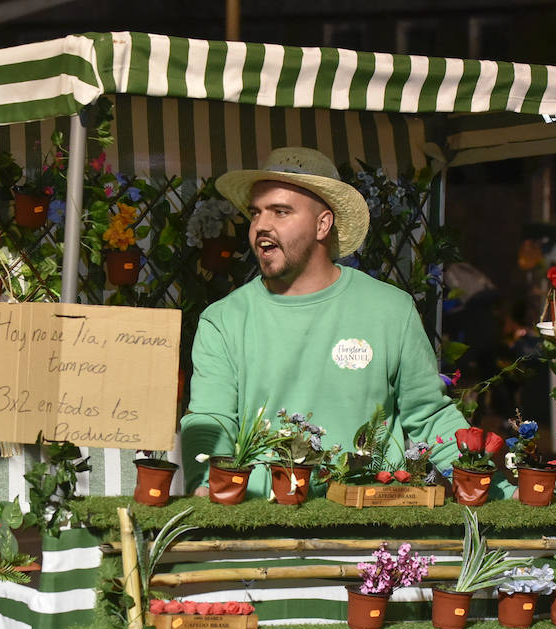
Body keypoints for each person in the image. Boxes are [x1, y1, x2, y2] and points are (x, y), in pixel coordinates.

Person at [180, 147, 472, 499]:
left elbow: (430, 417)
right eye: (256, 213)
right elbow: (211, 420)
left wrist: (491, 484)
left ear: (323, 224)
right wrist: (203, 484)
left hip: (369, 526)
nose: (261, 226)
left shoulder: (390, 310)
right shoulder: (224, 320)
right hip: (259, 523)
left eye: (281, 212)